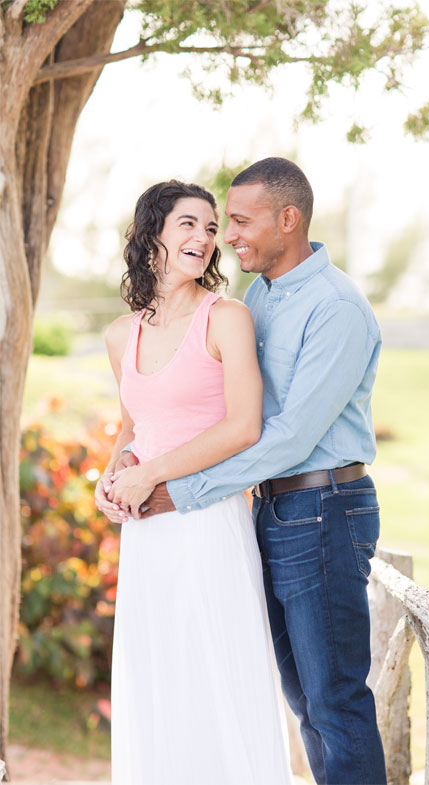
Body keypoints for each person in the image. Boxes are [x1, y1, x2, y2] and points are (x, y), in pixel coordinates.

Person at [99, 158, 387, 784]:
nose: (223, 237)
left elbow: (281, 434)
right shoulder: (265, 296)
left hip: (323, 506)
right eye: (205, 224)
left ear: (288, 220)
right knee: (305, 701)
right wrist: (123, 468)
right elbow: (153, 419)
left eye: (233, 221)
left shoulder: (335, 307)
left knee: (334, 699)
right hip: (272, 508)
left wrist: (178, 488)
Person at [97, 180, 291, 784]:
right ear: (152, 232)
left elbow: (243, 426)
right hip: (146, 534)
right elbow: (135, 427)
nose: (205, 238)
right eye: (189, 224)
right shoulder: (118, 335)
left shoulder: (225, 318)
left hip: (207, 518)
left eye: (211, 228)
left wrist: (151, 473)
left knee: (215, 667)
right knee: (159, 671)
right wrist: (111, 479)